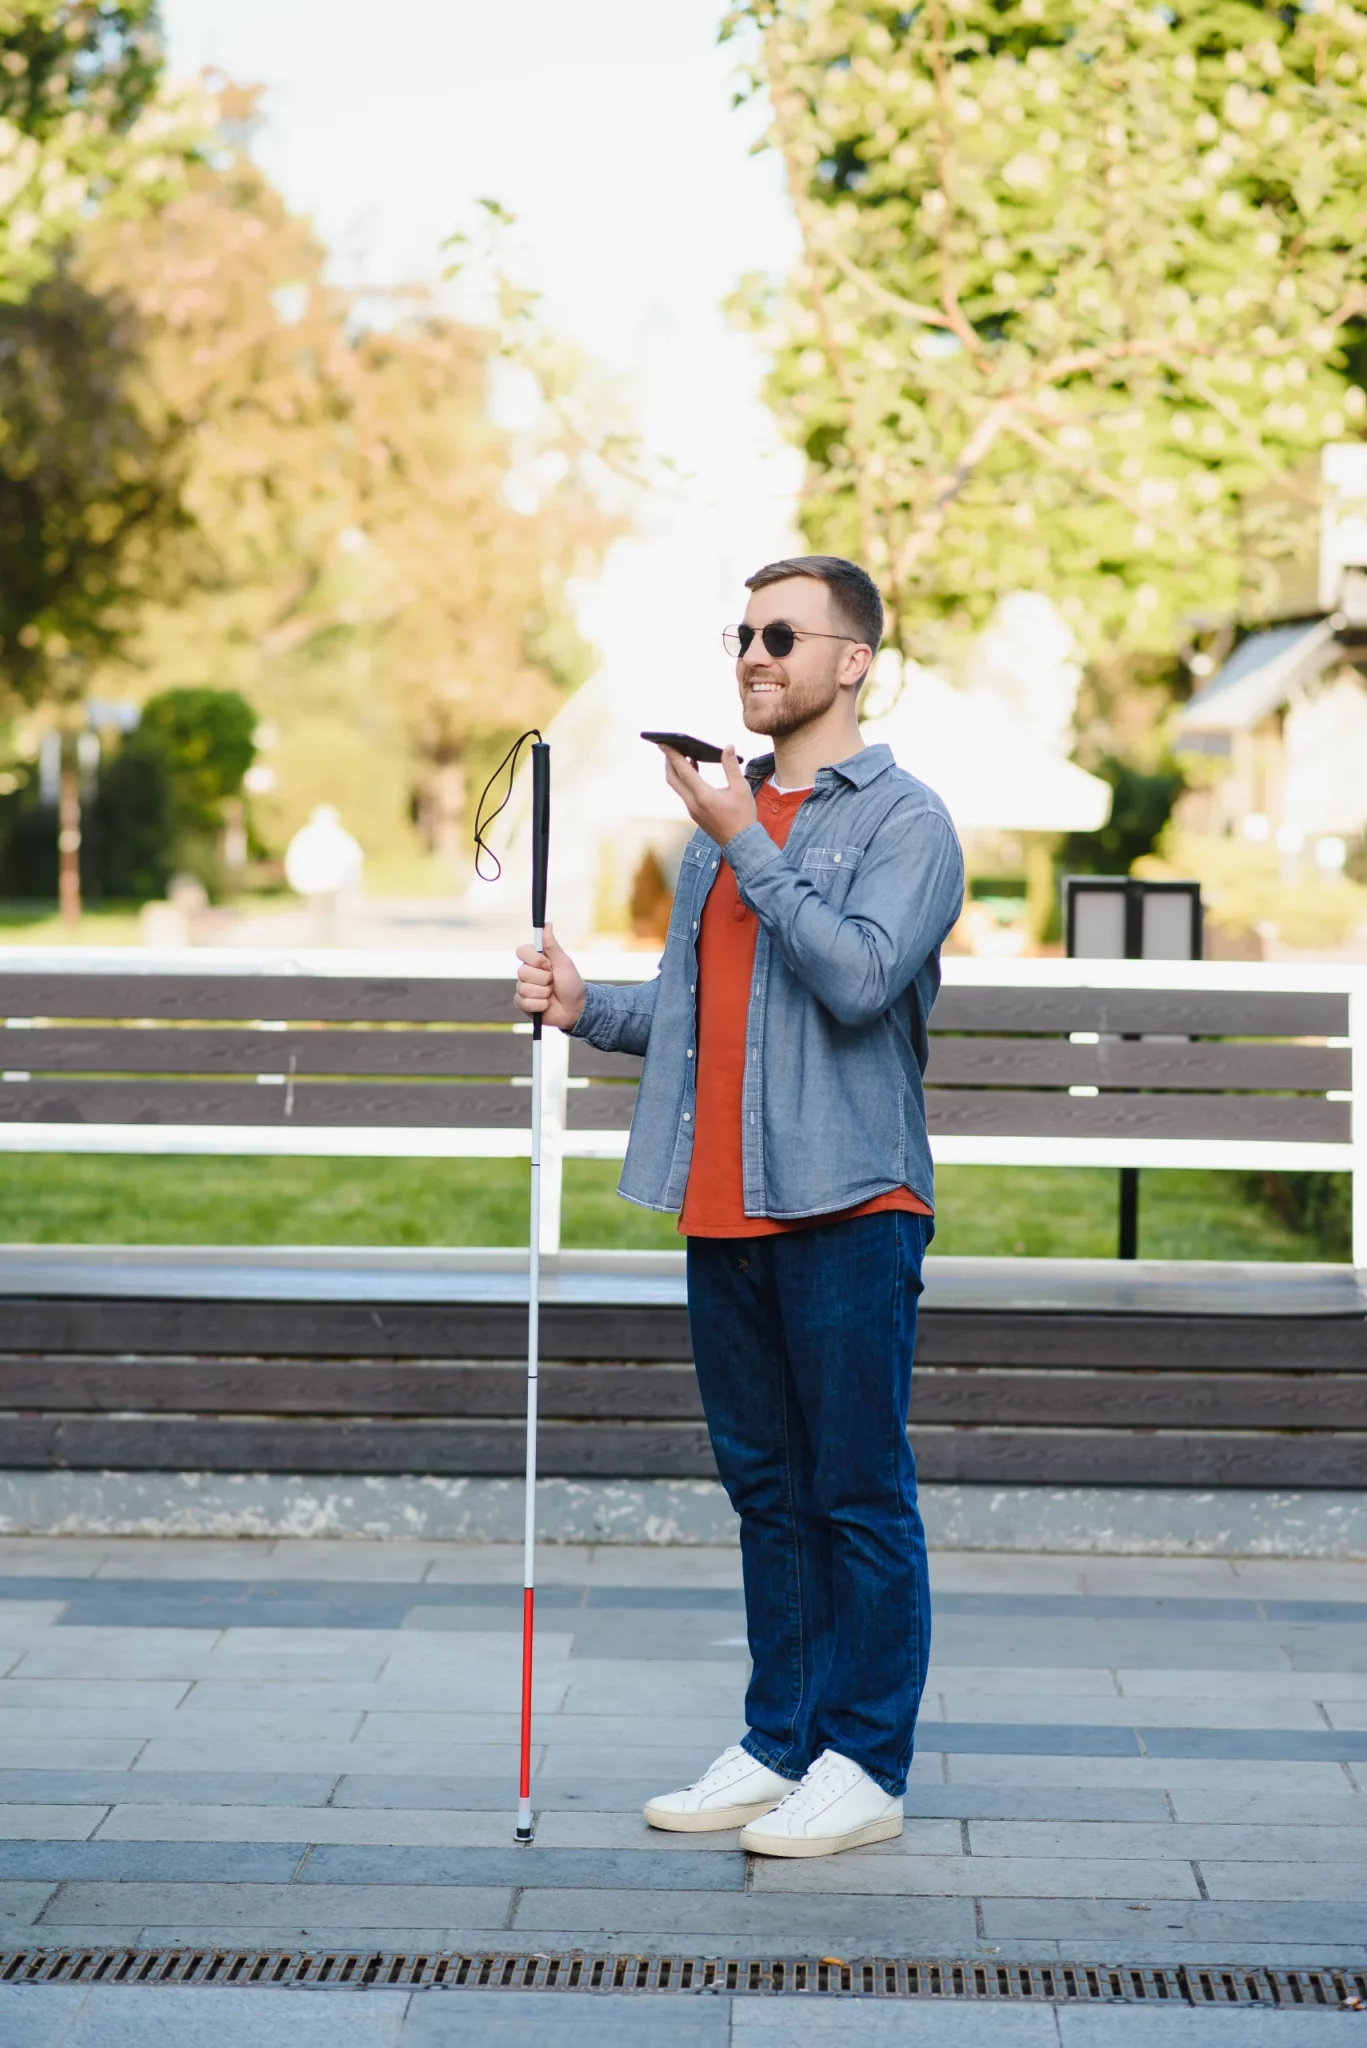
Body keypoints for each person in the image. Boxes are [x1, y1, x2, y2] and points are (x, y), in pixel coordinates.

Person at [515, 554, 964, 1859]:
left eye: (783, 633)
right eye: (743, 633)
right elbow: (701, 1010)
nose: (754, 654)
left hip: (847, 1204)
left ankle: (864, 1763)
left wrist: (742, 844)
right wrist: (582, 1005)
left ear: (854, 661)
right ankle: (780, 1743)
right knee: (765, 1491)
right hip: (725, 1208)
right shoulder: (720, 832)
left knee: (856, 1493)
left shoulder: (903, 822)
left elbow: (859, 978)